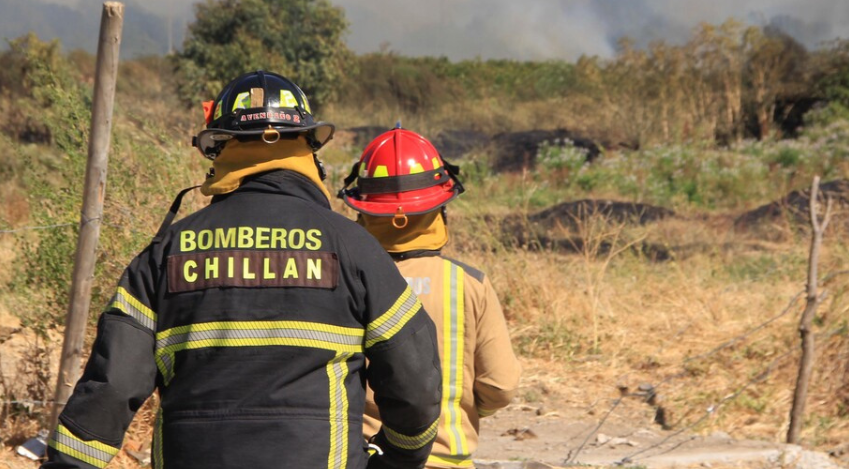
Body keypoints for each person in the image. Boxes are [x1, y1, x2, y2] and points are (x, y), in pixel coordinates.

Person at [43, 72, 442, 469]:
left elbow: (111, 386)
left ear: (219, 150)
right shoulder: (354, 249)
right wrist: (399, 458)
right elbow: (415, 382)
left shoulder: (167, 252)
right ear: (308, 148)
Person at [340, 127, 521, 469]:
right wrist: (461, 407)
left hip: (362, 459)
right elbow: (501, 384)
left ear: (362, 207)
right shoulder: (469, 283)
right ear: (440, 206)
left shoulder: (342, 280)